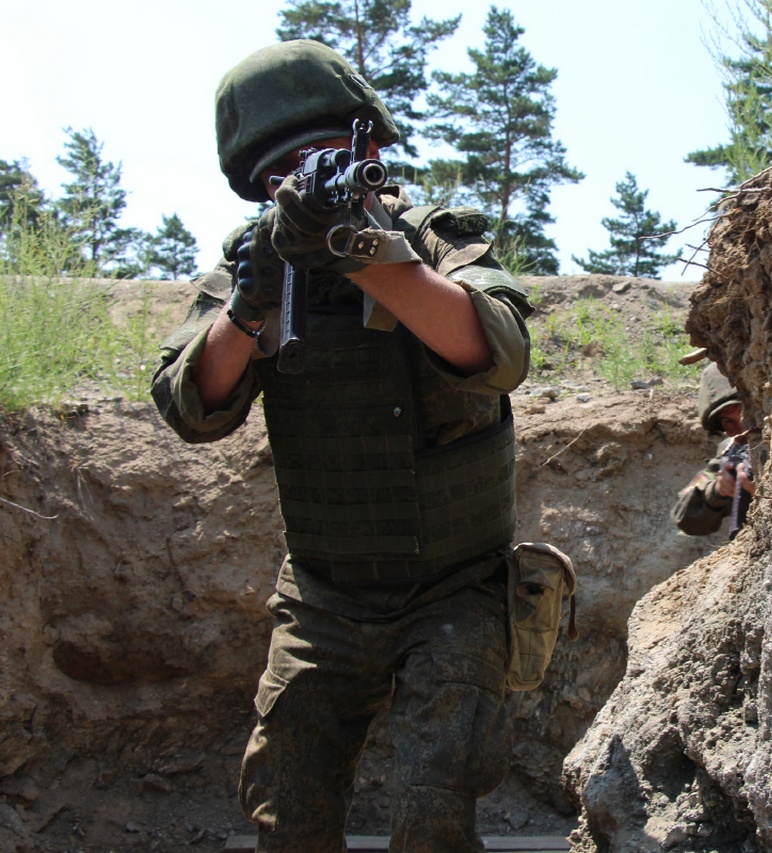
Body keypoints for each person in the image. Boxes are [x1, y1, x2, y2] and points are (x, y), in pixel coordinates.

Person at [151, 40, 534, 853]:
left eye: (319, 157)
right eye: (278, 173)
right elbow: (192, 405)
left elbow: (498, 352)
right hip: (325, 599)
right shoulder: (256, 267)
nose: (299, 179)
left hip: (455, 590)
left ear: (368, 151)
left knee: (431, 816)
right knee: (289, 816)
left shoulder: (430, 237)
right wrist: (252, 304)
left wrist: (363, 252)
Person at [671, 363, 761, 537]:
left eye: (745, 414)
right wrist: (718, 491)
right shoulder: (730, 452)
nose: (742, 428)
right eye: (729, 421)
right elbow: (684, 517)